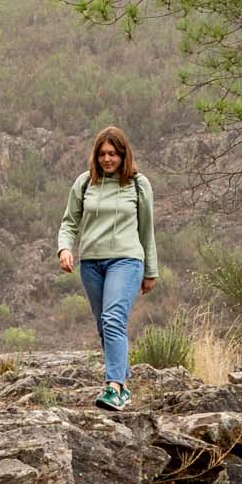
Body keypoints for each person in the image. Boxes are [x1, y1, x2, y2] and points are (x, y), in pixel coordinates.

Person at [56, 126, 157, 411]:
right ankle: (122, 379)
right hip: (91, 263)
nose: (107, 159)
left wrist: (151, 270)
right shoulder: (85, 183)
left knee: (113, 319)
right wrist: (64, 248)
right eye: (102, 154)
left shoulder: (138, 184)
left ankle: (115, 387)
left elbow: (147, 229)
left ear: (123, 155)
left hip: (126, 260)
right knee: (105, 325)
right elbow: (69, 222)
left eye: (113, 153)